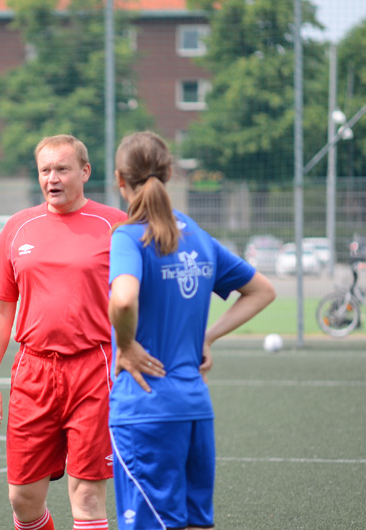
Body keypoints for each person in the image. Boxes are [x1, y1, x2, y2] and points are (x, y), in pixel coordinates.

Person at [107, 131, 276, 530]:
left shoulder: (128, 236)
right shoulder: (197, 235)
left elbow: (124, 299)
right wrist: (207, 337)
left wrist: (126, 345)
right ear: (169, 174)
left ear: (119, 179)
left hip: (144, 409)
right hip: (195, 407)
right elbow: (262, 291)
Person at [0, 134, 127, 530]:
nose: (52, 178)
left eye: (62, 169)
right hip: (33, 373)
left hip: (95, 370)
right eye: (45, 170)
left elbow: (143, 301)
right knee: (22, 499)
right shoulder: (18, 227)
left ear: (85, 171)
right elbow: (0, 308)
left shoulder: (116, 225)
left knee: (88, 496)